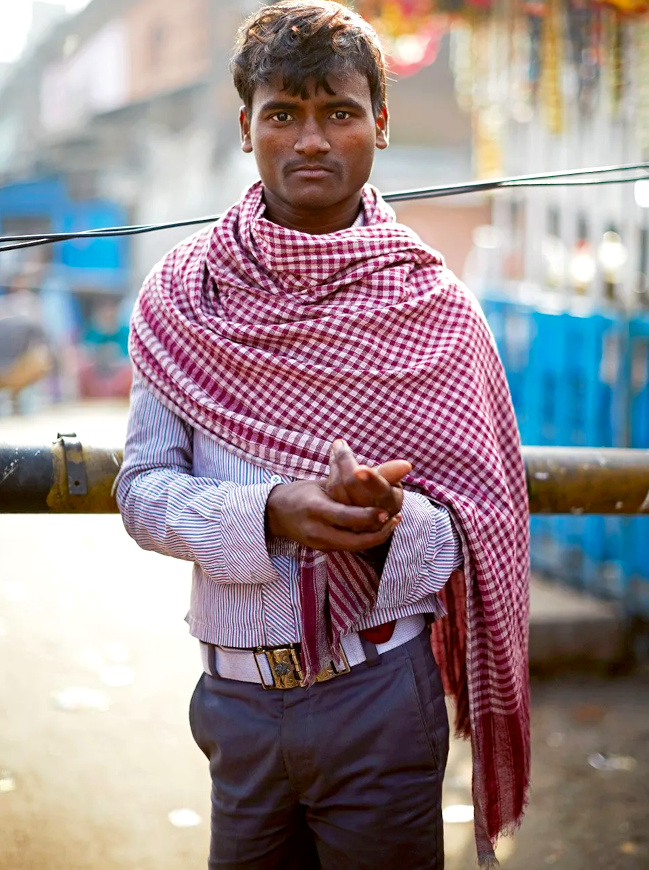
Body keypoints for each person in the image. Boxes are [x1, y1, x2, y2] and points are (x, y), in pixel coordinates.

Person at [115, 2, 530, 868]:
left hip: (381, 691)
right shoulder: (185, 296)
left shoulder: (434, 307)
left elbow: (482, 518)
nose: (310, 140)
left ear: (378, 123)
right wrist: (272, 510)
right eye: (284, 114)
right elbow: (143, 491)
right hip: (233, 702)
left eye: (337, 113)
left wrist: (389, 525)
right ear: (245, 128)